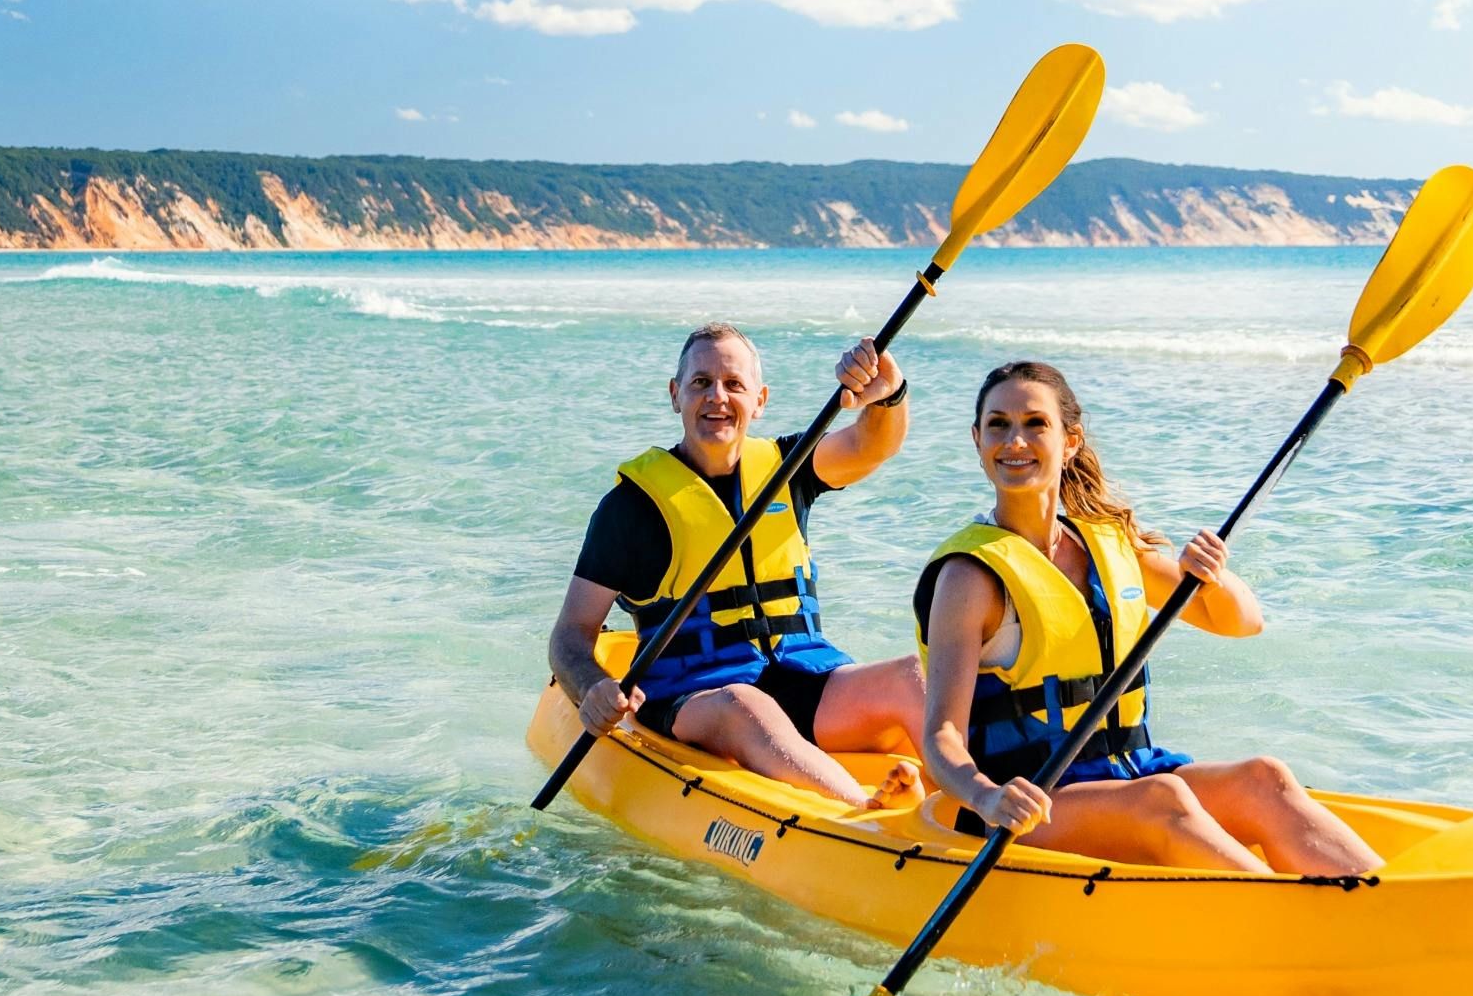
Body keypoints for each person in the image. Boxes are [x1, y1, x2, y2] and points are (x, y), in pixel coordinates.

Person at [912, 359, 1383, 876]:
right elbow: (941, 739)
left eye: (1035, 423)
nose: (1015, 441)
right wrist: (987, 797)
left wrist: (1213, 575)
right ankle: (1296, 920)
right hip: (1032, 807)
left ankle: (1384, 901)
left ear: (1070, 442)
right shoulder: (970, 577)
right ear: (977, 440)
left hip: (1129, 771)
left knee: (1264, 779)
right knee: (1162, 800)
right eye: (998, 424)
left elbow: (1243, 622)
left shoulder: (1107, 542)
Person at [547, 322, 932, 806]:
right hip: (696, 696)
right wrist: (593, 687)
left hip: (802, 677)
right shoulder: (631, 508)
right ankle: (866, 817)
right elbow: (571, 633)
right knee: (745, 706)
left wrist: (888, 394)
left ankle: (982, 802)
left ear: (760, 399)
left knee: (912, 677)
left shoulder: (788, 467)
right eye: (701, 382)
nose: (717, 397)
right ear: (675, 395)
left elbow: (872, 444)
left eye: (734, 384)